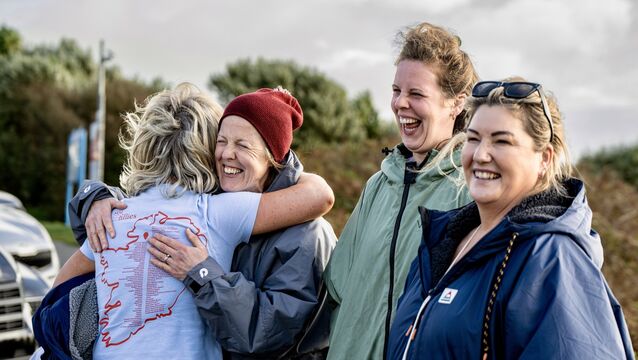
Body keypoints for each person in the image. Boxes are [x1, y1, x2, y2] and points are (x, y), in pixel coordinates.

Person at [34, 84, 334, 360]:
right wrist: (94, 196)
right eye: (222, 141)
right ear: (205, 147)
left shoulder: (114, 216)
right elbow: (319, 195)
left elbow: (54, 297)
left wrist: (95, 197)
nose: (228, 153)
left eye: (243, 145)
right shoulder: (218, 210)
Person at [387, 79, 635, 359]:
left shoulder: (551, 259)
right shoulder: (440, 243)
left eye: (502, 141)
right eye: (473, 138)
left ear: (544, 158)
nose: (481, 155)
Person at [323, 22, 477, 359]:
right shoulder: (378, 185)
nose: (400, 104)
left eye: (417, 94)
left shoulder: (470, 194)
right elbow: (338, 285)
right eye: (396, 91)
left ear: (456, 103)